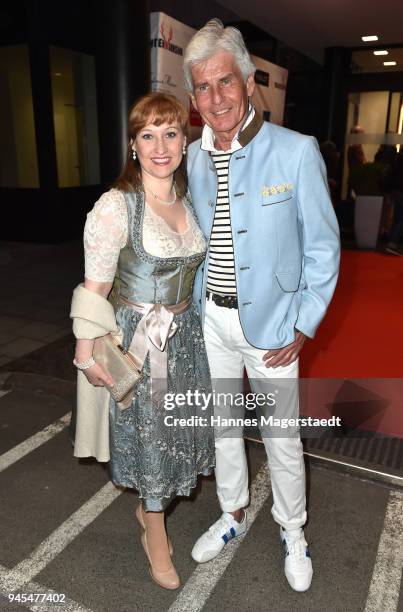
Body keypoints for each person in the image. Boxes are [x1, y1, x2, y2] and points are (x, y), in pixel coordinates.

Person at [183, 19, 340, 592]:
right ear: (194, 97)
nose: (215, 98)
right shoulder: (194, 158)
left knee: (280, 436)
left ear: (248, 81)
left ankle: (292, 528)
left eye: (224, 82)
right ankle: (231, 513)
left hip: (273, 327)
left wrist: (303, 321)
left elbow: (323, 247)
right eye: (202, 87)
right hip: (213, 321)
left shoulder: (295, 152)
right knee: (224, 427)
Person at [70, 92, 215, 590]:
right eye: (148, 135)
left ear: (184, 140)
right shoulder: (117, 206)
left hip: (187, 336)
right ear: (133, 144)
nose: (160, 146)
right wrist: (86, 355)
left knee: (182, 436)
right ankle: (155, 529)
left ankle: (150, 508)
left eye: (171, 133)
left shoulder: (191, 200)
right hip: (141, 342)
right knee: (152, 441)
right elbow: (95, 287)